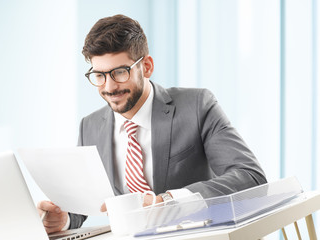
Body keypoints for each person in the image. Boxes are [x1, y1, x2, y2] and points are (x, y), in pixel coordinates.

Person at [37, 14, 267, 234]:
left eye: (119, 72)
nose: (109, 87)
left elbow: (251, 177)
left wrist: (167, 202)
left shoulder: (197, 106)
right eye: (99, 75)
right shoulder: (89, 126)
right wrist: (65, 219)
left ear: (146, 66)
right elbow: (86, 202)